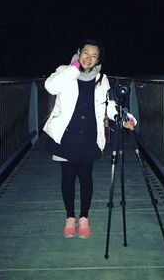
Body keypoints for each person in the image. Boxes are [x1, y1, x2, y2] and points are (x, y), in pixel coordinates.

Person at [43, 39, 137, 239]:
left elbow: (110, 107)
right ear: (79, 52)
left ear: (98, 59)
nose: (89, 58)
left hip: (89, 136)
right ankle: (70, 217)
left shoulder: (102, 79)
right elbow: (50, 87)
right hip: (65, 136)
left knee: (86, 177)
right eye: (86, 53)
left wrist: (125, 119)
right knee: (67, 177)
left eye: (94, 56)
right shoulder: (64, 71)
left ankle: (84, 217)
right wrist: (74, 68)